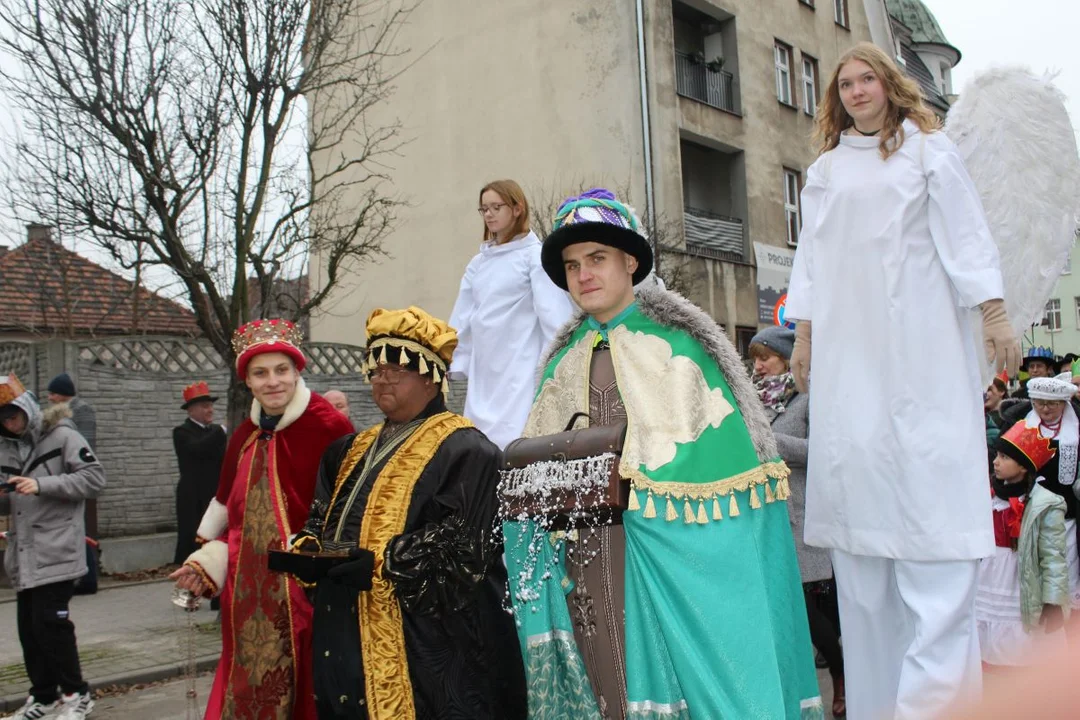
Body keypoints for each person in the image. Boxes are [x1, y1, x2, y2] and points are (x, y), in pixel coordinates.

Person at [504, 189, 822, 718]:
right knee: (602, 682)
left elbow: (732, 488)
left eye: (597, 259)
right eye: (572, 264)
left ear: (630, 262)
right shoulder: (560, 361)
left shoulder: (683, 348)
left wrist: (646, 501)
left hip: (660, 564)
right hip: (584, 565)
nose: (583, 275)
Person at [785, 42, 1022, 718]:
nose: (857, 90)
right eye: (846, 82)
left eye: (867, 78)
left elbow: (966, 233)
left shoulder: (928, 153)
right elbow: (815, 258)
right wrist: (804, 330)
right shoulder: (827, 171)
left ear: (890, 86)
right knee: (863, 581)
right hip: (852, 371)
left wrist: (992, 310)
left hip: (919, 359)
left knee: (933, 546)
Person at [286, 307, 526, 719]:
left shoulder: (468, 449)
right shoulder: (345, 450)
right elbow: (319, 518)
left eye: (398, 368)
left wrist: (380, 563)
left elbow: (469, 546)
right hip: (344, 626)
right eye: (377, 369)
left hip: (427, 645)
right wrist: (309, 554)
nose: (383, 378)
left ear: (431, 376)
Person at [169, 319, 354, 720]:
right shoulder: (244, 435)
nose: (273, 382)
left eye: (281, 370)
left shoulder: (330, 428)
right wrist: (208, 563)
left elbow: (351, 515)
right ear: (247, 382)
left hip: (308, 598)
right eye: (260, 373)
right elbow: (232, 517)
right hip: (246, 600)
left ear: (297, 372)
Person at [750, 325, 844, 718]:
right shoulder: (753, 401)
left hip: (801, 515)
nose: (757, 366)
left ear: (787, 358)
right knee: (789, 607)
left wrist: (770, 444)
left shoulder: (806, 400)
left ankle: (841, 673)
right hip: (762, 515)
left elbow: (824, 451)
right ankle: (806, 685)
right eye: (754, 358)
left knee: (806, 608)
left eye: (765, 357)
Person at [0, 374, 105, 720]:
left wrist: (42, 484)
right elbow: (13, 496)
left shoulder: (63, 435)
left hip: (57, 548)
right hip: (24, 553)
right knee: (29, 630)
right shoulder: (7, 446)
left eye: (12, 415)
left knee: (52, 626)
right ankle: (43, 697)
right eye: (2, 419)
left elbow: (93, 478)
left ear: (27, 409)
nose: (9, 424)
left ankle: (78, 694)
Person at [448, 179, 575, 449]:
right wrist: (452, 356)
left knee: (516, 434)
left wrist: (560, 358)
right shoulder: (478, 263)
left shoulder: (534, 256)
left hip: (519, 361)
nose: (489, 214)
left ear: (517, 209)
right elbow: (464, 314)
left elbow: (552, 313)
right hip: (485, 366)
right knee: (479, 439)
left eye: (496, 207)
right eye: (484, 209)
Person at [977, 421, 1069, 668]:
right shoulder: (987, 496)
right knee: (983, 649)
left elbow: (1053, 557)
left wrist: (1053, 600)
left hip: (1021, 583)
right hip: (987, 579)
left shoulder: (1046, 504)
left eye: (1004, 457)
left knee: (1020, 650)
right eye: (997, 455)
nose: (995, 461)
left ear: (1024, 467)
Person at [997, 373, 1080, 613]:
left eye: (1052, 404)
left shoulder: (1077, 427)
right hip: (1028, 512)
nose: (1045, 409)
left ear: (1064, 403)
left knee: (1063, 568)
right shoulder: (1019, 424)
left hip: (1067, 515)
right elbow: (1004, 461)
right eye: (1039, 403)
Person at [46, 372, 99, 595]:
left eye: (53, 393)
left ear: (62, 395)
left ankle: (88, 579)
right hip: (68, 479)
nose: (49, 398)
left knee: (81, 529)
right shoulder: (59, 414)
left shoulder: (82, 410)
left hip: (78, 478)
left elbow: (84, 445)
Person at [172, 381, 227, 565]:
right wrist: (222, 429)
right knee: (192, 535)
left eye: (211, 405)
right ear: (191, 410)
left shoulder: (214, 431)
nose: (210, 410)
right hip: (192, 495)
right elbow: (198, 449)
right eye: (205, 406)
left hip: (214, 493)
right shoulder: (181, 432)